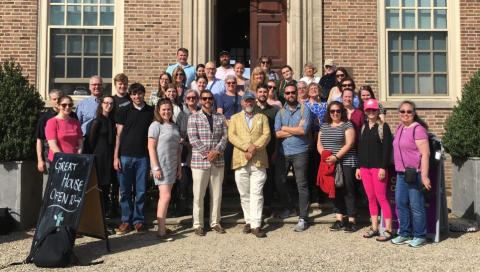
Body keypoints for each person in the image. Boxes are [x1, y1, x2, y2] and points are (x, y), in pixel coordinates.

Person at [228, 92, 271, 238]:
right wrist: (247, 147)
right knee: (244, 193)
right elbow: (231, 136)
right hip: (241, 159)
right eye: (246, 101)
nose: (249, 103)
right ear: (242, 103)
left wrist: (254, 147)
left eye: (251, 100)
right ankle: (248, 220)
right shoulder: (234, 118)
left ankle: (256, 224)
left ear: (255, 102)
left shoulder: (262, 117)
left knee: (257, 193)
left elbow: (267, 135)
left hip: (258, 160)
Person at [114, 83, 154, 235]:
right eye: (134, 94)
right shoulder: (124, 111)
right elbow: (118, 135)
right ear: (130, 96)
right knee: (124, 191)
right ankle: (126, 220)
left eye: (139, 94)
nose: (137, 97)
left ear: (144, 94)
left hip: (143, 157)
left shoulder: (150, 111)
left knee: (141, 191)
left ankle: (138, 220)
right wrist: (115, 157)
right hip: (125, 156)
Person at [187, 90, 228, 236]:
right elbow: (193, 138)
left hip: (218, 160)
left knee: (217, 194)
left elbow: (225, 136)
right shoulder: (193, 117)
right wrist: (208, 153)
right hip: (200, 162)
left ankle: (215, 222)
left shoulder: (220, 117)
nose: (207, 101)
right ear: (200, 100)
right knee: (198, 195)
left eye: (210, 98)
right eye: (204, 98)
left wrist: (216, 151)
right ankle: (198, 224)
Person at [391, 100, 431, 248]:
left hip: (415, 173)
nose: (405, 114)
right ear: (399, 113)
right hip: (401, 173)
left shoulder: (418, 129)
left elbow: (425, 154)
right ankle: (404, 233)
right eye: (402, 111)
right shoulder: (400, 127)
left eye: (409, 111)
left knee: (416, 205)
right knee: (401, 204)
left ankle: (420, 235)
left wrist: (425, 176)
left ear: (414, 113)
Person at [274, 83, 311, 232]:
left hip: (300, 152)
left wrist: (285, 129)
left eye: (292, 92)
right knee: (279, 182)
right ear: (284, 95)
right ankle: (290, 207)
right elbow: (277, 133)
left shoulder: (304, 109)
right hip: (283, 153)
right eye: (287, 93)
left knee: (301, 185)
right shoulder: (280, 112)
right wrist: (295, 130)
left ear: (297, 93)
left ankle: (303, 217)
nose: (290, 95)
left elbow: (304, 130)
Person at [355, 99, 393, 241]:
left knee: (381, 198)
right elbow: (360, 149)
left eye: (374, 110)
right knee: (371, 198)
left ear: (378, 111)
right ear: (365, 112)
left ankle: (388, 229)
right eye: (368, 110)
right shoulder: (363, 127)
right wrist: (359, 167)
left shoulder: (384, 127)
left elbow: (387, 149)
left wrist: (383, 167)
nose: (371, 112)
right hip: (365, 168)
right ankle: (374, 227)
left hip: (378, 168)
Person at [317, 101, 358, 232]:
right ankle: (339, 218)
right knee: (333, 190)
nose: (335, 113)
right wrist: (325, 156)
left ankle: (352, 220)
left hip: (345, 162)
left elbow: (349, 143)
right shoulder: (324, 126)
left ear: (342, 112)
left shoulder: (347, 124)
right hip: (329, 163)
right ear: (329, 113)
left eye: (338, 111)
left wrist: (336, 157)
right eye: (332, 111)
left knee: (348, 190)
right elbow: (319, 144)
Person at [148, 98, 182, 240]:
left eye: (169, 109)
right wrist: (155, 167)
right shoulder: (155, 125)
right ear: (158, 110)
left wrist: (179, 167)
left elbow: (178, 149)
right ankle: (161, 232)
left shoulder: (174, 126)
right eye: (164, 109)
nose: (166, 112)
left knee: (166, 197)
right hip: (161, 165)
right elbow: (151, 147)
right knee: (165, 197)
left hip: (172, 165)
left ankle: (163, 226)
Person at [88, 96, 116, 217]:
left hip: (109, 157)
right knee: (99, 185)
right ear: (101, 105)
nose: (108, 105)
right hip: (99, 157)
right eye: (106, 103)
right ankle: (98, 214)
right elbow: (91, 142)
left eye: (111, 103)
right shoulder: (97, 121)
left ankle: (105, 213)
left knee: (106, 186)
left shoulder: (111, 120)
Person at [254, 84, 279, 216]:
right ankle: (256, 207)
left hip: (270, 150)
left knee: (269, 179)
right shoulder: (252, 110)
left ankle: (267, 205)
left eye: (265, 91)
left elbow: (276, 133)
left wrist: (275, 151)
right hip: (255, 151)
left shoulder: (274, 111)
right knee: (257, 179)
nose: (263, 94)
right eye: (260, 91)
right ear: (256, 94)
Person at [174, 89, 200, 216]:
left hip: (200, 152)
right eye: (189, 98)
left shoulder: (202, 113)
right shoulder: (181, 115)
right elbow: (177, 132)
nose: (191, 100)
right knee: (184, 181)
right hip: (185, 152)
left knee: (198, 183)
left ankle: (199, 210)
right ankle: (182, 208)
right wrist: (185, 142)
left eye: (194, 97)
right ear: (185, 99)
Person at [305, 82, 328, 204]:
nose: (314, 90)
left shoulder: (325, 105)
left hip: (323, 138)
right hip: (310, 138)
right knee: (310, 167)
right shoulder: (304, 105)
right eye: (311, 88)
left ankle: (321, 193)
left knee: (321, 166)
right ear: (308, 92)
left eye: (316, 88)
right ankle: (311, 193)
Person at [45, 95, 83, 163]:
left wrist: (78, 156)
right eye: (64, 105)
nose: (67, 107)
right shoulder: (52, 122)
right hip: (58, 161)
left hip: (74, 160)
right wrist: (64, 159)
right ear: (59, 106)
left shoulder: (75, 122)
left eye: (70, 105)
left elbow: (80, 142)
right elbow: (53, 145)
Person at [76, 75, 103, 152]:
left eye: (99, 84)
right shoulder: (82, 104)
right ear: (89, 87)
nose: (97, 87)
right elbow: (77, 125)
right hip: (86, 141)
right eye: (94, 84)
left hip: (102, 141)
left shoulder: (108, 102)